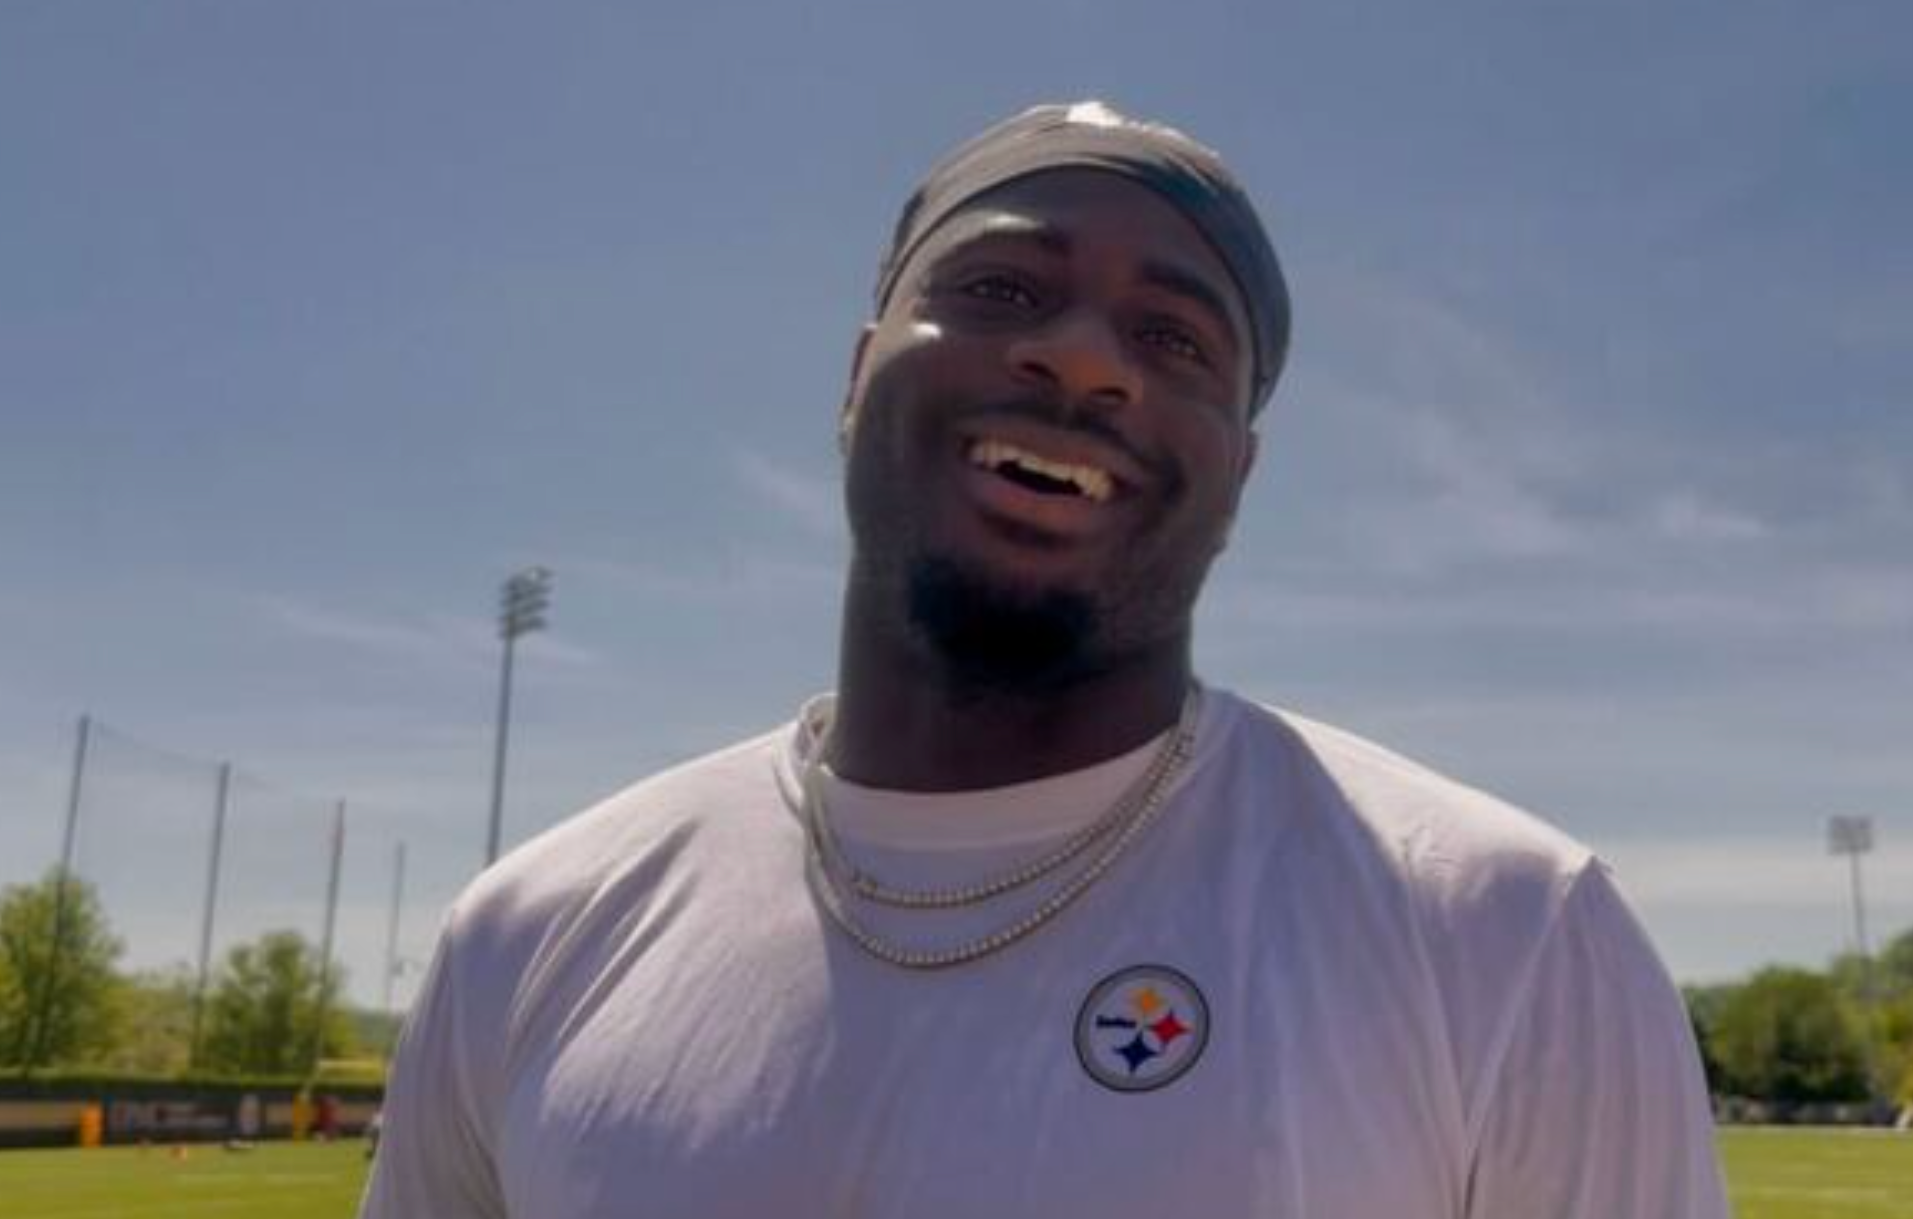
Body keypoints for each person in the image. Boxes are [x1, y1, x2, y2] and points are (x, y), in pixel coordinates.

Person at [361, 101, 1728, 1218]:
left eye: (1176, 339)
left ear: (1238, 469)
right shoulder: (527, 932)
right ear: (857, 376)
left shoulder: (1507, 931)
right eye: (1003, 286)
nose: (1082, 360)